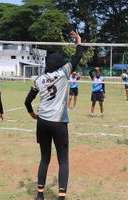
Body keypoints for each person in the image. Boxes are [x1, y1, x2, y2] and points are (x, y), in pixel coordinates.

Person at [24, 31, 83, 200]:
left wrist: (32, 114)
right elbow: (77, 57)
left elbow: (27, 101)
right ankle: (61, 197)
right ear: (58, 65)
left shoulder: (39, 79)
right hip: (58, 122)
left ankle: (40, 195)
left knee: (44, 159)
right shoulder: (63, 73)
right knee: (63, 160)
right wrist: (78, 42)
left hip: (42, 122)